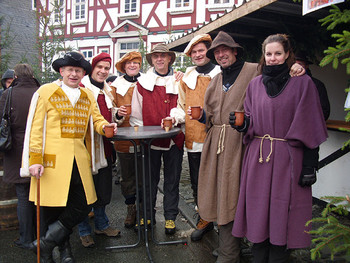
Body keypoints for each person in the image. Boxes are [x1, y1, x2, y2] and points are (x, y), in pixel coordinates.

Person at [190, 31, 306, 263]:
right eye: (217, 52)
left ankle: (238, 250)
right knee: (220, 194)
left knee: (243, 195)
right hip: (217, 144)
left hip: (246, 144)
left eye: (225, 50)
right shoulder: (216, 81)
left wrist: (297, 68)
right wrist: (203, 117)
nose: (221, 55)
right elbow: (211, 115)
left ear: (235, 51)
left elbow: (279, 76)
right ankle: (229, 247)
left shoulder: (255, 70)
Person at [231, 34, 328, 262]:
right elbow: (251, 118)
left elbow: (311, 124)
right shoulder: (254, 85)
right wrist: (244, 124)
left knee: (282, 216)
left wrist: (309, 166)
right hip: (259, 158)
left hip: (288, 160)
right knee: (258, 214)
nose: (273, 58)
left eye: (278, 53)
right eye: (269, 54)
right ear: (263, 56)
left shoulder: (302, 83)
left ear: (287, 55)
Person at [21, 51, 117, 263]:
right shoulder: (46, 91)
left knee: (82, 204)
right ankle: (64, 252)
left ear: (83, 73)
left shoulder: (86, 95)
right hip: (51, 161)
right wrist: (34, 159)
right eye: (70, 70)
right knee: (54, 208)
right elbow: (36, 128)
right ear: (61, 71)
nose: (74, 74)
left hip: (79, 160)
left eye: (78, 70)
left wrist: (106, 127)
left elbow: (97, 119)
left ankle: (45, 243)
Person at [169, 34, 221, 241]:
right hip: (195, 136)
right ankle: (205, 218)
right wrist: (174, 117)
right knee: (198, 181)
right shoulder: (187, 79)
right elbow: (181, 106)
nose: (198, 54)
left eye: (201, 50)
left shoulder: (221, 73)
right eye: (194, 52)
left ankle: (225, 221)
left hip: (219, 135)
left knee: (220, 179)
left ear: (209, 51)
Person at [130, 43, 185, 235]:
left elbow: (184, 106)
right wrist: (142, 136)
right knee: (148, 181)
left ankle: (170, 217)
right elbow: (136, 114)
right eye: (156, 56)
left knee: (172, 180)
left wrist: (176, 119)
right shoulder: (142, 83)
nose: (159, 59)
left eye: (163, 56)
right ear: (152, 60)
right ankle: (146, 215)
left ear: (170, 58)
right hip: (149, 141)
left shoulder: (180, 81)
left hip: (174, 139)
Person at [78, 52, 120, 248]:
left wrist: (117, 116)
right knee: (84, 191)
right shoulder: (81, 89)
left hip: (104, 147)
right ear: (92, 69)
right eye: (100, 67)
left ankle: (102, 224)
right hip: (86, 148)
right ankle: (84, 230)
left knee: (103, 189)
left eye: (106, 68)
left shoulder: (107, 90)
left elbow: (110, 116)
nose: (103, 71)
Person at [0, 64, 40, 249]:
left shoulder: (8, 94)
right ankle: (41, 235)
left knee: (23, 195)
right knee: (39, 194)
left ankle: (26, 238)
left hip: (15, 147)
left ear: (15, 76)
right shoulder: (41, 91)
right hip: (38, 145)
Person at [109, 51, 142, 229]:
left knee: (144, 175)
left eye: (136, 63)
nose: (132, 66)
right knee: (127, 176)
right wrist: (117, 114)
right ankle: (131, 209)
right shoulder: (115, 86)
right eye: (129, 63)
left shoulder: (147, 81)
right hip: (124, 139)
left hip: (144, 137)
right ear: (123, 67)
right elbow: (110, 109)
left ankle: (144, 209)